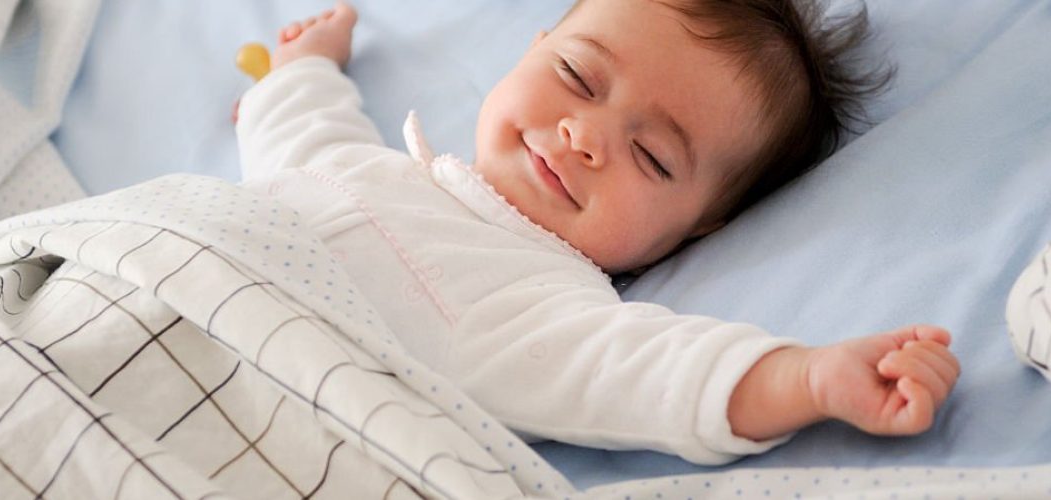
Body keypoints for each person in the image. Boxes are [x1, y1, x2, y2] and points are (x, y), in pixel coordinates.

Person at [235, 0, 961, 465]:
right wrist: (303, 67)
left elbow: (652, 374)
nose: (583, 136)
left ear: (702, 226)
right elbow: (303, 128)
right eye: (578, 76)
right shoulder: (359, 167)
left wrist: (808, 378)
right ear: (534, 46)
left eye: (651, 156)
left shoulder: (538, 305)